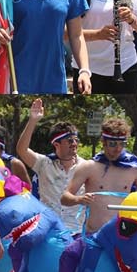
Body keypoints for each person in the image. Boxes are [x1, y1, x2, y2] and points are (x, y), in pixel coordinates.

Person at [60, 118, 137, 234]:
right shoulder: (88, 167)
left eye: (122, 144)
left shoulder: (133, 169)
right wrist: (78, 199)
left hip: (123, 236)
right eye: (112, 144)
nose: (117, 149)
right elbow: (65, 197)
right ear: (103, 142)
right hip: (95, 236)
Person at [15, 98, 89, 230]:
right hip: (48, 230)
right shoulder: (44, 164)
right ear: (56, 144)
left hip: (76, 231)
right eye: (69, 140)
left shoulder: (86, 167)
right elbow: (22, 150)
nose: (74, 144)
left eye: (76, 140)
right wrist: (33, 120)